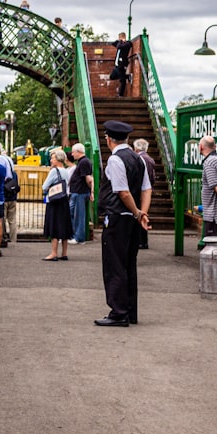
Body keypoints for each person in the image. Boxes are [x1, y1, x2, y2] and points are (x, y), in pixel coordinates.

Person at [95, 120, 152, 327]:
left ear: (108, 139)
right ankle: (130, 311)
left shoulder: (115, 160)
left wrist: (136, 212)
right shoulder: (139, 159)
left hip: (118, 217)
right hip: (132, 221)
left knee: (114, 265)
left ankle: (118, 313)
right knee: (129, 265)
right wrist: (142, 213)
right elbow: (146, 189)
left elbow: (122, 191)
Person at [42, 149, 73, 261]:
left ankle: (53, 253)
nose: (51, 160)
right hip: (64, 200)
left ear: (58, 159)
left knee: (54, 225)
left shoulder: (54, 171)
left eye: (53, 158)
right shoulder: (66, 171)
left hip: (54, 201)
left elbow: (44, 186)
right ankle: (64, 253)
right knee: (64, 225)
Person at [0, 140, 17, 245]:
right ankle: (13, 240)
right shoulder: (9, 159)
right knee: (12, 219)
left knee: (0, 218)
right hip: (12, 192)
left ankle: (0, 239)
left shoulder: (0, 159)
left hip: (4, 193)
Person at [68, 143, 94, 244]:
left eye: (73, 152)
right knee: (73, 213)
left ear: (78, 152)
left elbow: (88, 178)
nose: (72, 154)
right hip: (77, 191)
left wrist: (91, 191)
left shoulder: (83, 162)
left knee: (79, 215)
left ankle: (79, 237)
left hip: (80, 192)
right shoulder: (83, 162)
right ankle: (75, 235)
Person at [133, 138, 157, 249]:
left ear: (136, 148)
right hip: (148, 189)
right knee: (144, 213)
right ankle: (143, 241)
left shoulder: (138, 159)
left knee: (139, 214)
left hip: (141, 191)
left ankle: (140, 241)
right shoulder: (150, 159)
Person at [113, 32, 133, 97]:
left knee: (122, 80)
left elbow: (119, 46)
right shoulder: (120, 43)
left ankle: (120, 94)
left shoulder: (128, 43)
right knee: (112, 76)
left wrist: (122, 42)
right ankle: (127, 76)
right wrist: (119, 41)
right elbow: (113, 43)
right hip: (117, 64)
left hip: (122, 64)